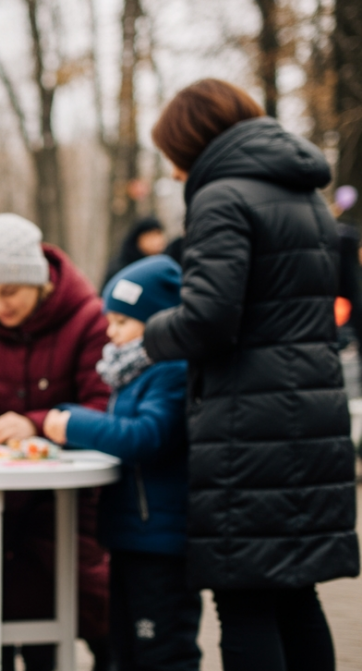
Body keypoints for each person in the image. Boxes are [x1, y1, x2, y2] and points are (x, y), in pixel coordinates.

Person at [144, 78, 359, 671]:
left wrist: (150, 334)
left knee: (242, 601)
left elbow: (210, 319)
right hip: (310, 417)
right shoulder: (305, 197)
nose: (172, 170)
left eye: (171, 154)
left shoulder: (222, 198)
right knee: (294, 594)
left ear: (190, 141)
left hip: (250, 427)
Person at [0, 213, 112, 671]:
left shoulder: (87, 318)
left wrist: (34, 422)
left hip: (66, 506)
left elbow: (102, 408)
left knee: (60, 607)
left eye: (9, 292)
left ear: (38, 281)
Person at [44, 256, 201, 671]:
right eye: (109, 321)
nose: (110, 334)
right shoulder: (133, 374)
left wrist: (75, 421)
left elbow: (143, 436)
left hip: (160, 542)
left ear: (157, 321)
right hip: (131, 536)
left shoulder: (170, 372)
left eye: (122, 322)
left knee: (162, 649)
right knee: (125, 648)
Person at [102, 215, 167, 288]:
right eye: (151, 235)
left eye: (159, 234)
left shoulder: (165, 265)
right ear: (138, 238)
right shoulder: (121, 267)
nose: (157, 241)